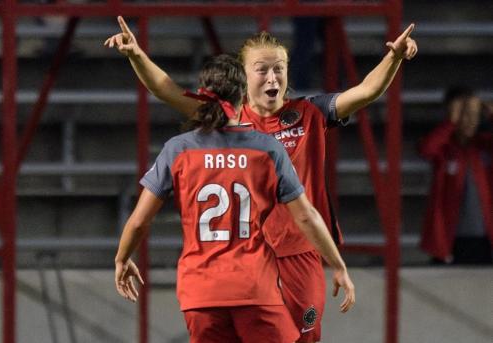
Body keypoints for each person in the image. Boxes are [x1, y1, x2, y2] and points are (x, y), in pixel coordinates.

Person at [106, 17, 413, 342]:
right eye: (262, 69)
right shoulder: (226, 119)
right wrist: (136, 55)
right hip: (249, 259)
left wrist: (393, 58)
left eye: (279, 68)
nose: (272, 77)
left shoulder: (310, 112)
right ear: (243, 77)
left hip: (298, 252)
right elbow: (167, 90)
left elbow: (366, 92)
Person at [114, 54, 355, 342]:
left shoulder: (178, 150)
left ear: (201, 95)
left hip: (199, 292)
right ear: (242, 96)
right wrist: (338, 264)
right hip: (253, 287)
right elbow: (305, 215)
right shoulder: (266, 149)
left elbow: (140, 221)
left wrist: (122, 258)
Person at [418, 86, 493, 264]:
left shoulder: (484, 146)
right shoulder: (445, 149)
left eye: (474, 115)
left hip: (484, 239)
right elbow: (427, 149)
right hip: (449, 240)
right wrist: (450, 122)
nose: (469, 121)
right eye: (463, 114)